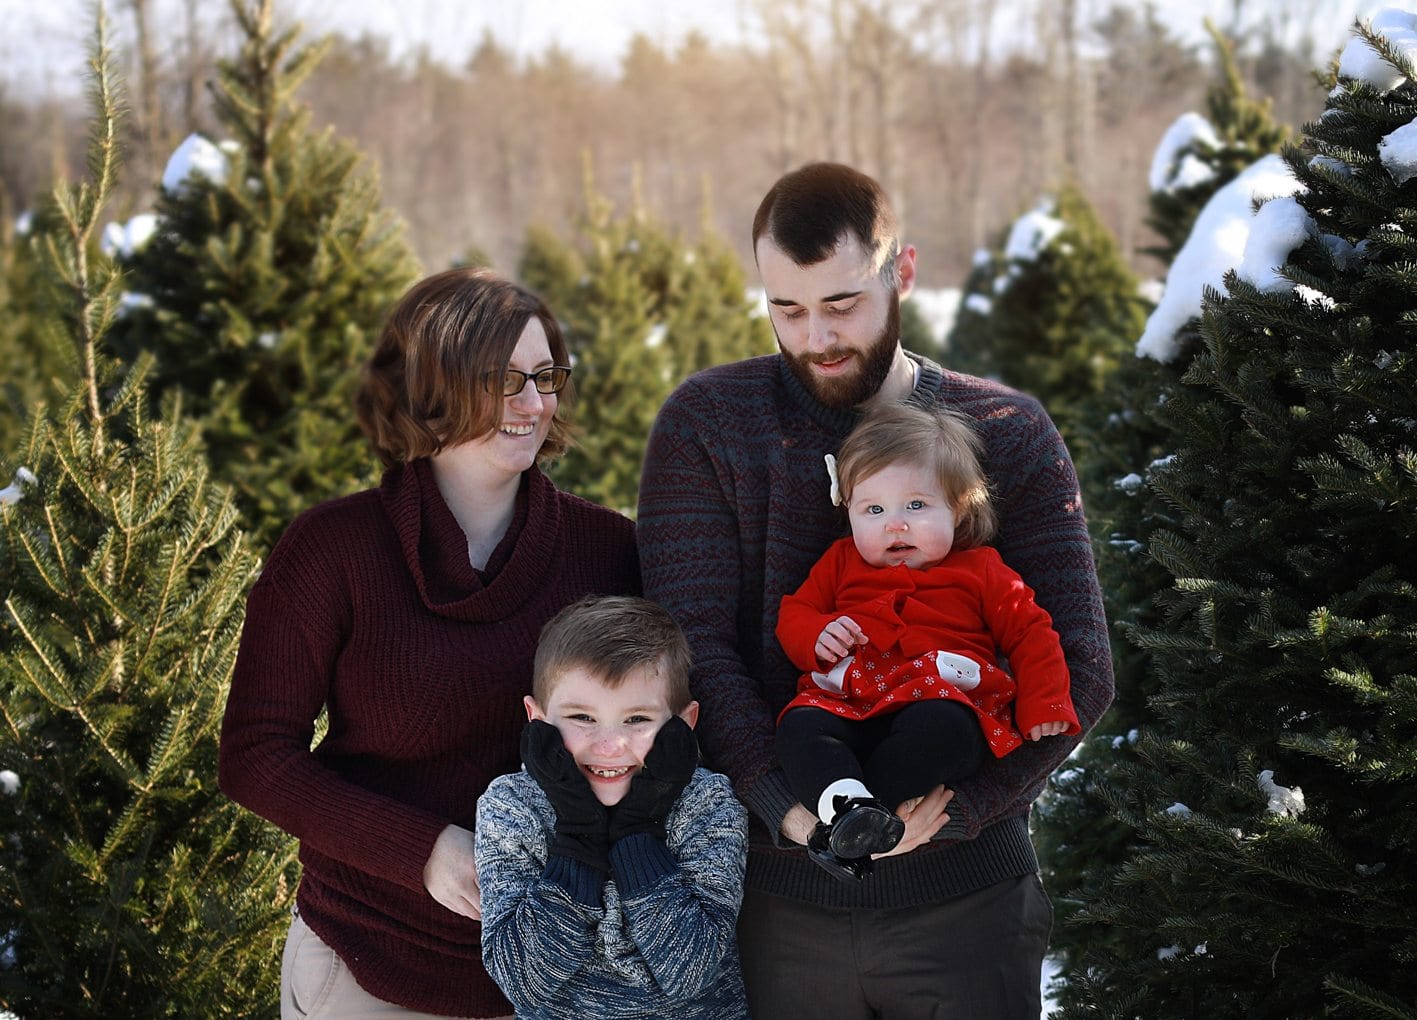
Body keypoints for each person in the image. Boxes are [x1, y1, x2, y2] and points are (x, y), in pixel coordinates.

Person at [637, 162, 1113, 1019]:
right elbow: (691, 648)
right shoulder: (708, 424)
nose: (814, 336)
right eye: (786, 308)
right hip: (779, 911)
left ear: (903, 272)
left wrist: (962, 812)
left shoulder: (1006, 434)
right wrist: (786, 810)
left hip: (964, 912)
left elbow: (1078, 664)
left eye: (841, 304)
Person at [219, 267, 640, 1019]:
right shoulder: (332, 549)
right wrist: (420, 849)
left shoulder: (608, 552)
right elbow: (255, 756)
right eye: (503, 379)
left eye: (545, 376)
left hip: (565, 972)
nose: (535, 403)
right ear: (432, 387)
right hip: (369, 959)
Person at [775, 403, 1079, 882]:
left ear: (958, 509)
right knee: (799, 729)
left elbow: (1029, 630)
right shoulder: (839, 562)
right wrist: (817, 635)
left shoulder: (980, 568)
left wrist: (1043, 701)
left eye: (916, 506)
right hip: (848, 705)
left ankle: (855, 823)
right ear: (849, 513)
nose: (895, 524)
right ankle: (847, 805)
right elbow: (795, 613)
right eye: (873, 510)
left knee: (948, 732)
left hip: (937, 702)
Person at [475, 594, 749, 1020]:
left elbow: (690, 972)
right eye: (582, 718)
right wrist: (578, 839)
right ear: (537, 718)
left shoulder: (707, 804)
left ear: (684, 724)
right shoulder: (512, 808)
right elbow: (524, 981)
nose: (609, 746)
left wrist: (639, 832)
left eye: (637, 719)